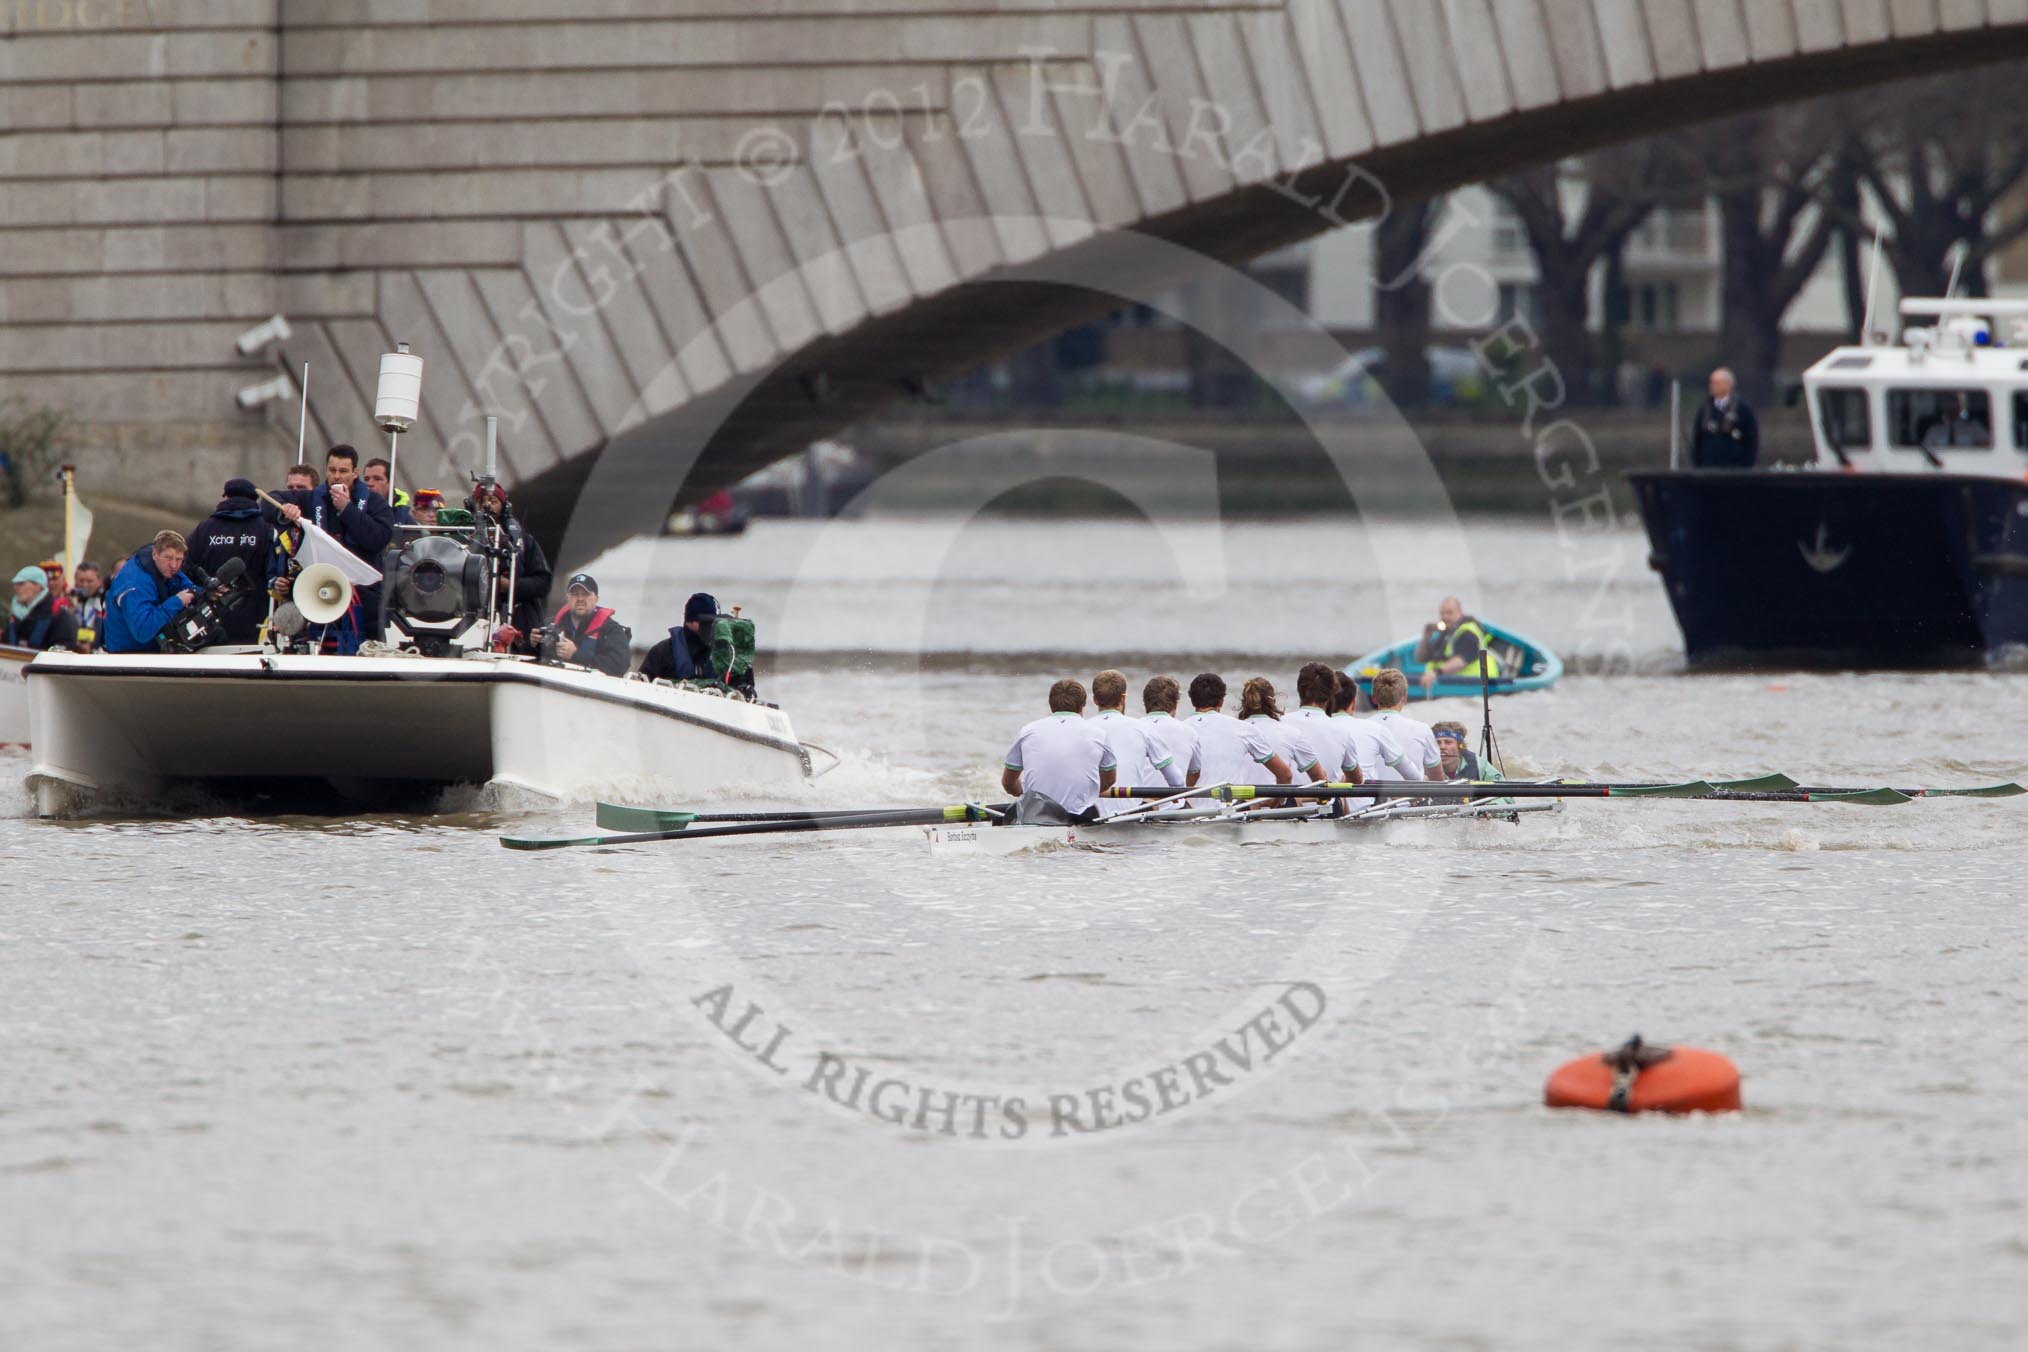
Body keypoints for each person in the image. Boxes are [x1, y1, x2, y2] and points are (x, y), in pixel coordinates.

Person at [273, 445, 396, 645]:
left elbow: (378, 539)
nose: (337, 476)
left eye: (343, 471)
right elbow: (270, 501)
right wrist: (285, 507)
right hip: (320, 593)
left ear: (355, 473)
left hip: (363, 596)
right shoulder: (312, 498)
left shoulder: (375, 503)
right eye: (332, 470)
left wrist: (347, 509)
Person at [1001, 678, 1116, 820]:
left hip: (1035, 814)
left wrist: (1024, 794)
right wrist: (1087, 791)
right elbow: (1110, 780)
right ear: (1083, 705)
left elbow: (1008, 783)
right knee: (1094, 810)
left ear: (1051, 704)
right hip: (1081, 815)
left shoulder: (1028, 731)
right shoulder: (1099, 734)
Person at [186, 478, 276, 645]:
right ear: (254, 500)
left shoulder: (204, 529)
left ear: (225, 497)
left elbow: (186, 566)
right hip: (254, 623)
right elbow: (273, 571)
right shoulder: (266, 529)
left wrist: (206, 588)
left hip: (211, 621)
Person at [1088, 669, 1182, 816]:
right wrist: (1177, 795)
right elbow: (1176, 780)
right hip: (1130, 814)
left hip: (1091, 814)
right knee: (1152, 801)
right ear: (1124, 698)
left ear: (1094, 700)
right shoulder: (1143, 728)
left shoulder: (1083, 729)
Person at [1182, 672, 1291, 788]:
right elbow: (1285, 775)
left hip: (1187, 804)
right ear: (1221, 701)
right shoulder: (1244, 729)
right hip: (1231, 805)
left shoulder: (1180, 729)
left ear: (1192, 700)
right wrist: (1275, 801)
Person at [475, 483, 550, 643]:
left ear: (504, 507)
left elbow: (543, 583)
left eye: (493, 501)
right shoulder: (464, 539)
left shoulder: (524, 541)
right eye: (483, 502)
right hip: (475, 619)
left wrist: (511, 586)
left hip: (519, 619)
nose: (488, 506)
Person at [103, 530, 197, 654]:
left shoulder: (165, 568)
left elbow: (189, 588)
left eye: (179, 560)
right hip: (127, 656)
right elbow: (142, 630)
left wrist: (206, 593)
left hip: (152, 650)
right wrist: (177, 601)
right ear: (155, 554)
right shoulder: (134, 584)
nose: (174, 565)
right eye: (168, 558)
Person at [1329, 671, 1419, 784]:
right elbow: (1413, 776)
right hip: (1364, 798)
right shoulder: (1374, 729)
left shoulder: (1303, 731)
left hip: (1317, 796)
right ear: (1354, 703)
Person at [1237, 676, 1323, 786]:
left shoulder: (1232, 732)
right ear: (1273, 701)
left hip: (1239, 802)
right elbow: (1320, 778)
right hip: (1275, 801)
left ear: (1245, 702)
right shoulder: (1291, 733)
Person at [543, 573, 632, 678]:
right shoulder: (550, 624)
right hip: (553, 682)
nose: (580, 598)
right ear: (568, 597)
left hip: (592, 689)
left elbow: (619, 666)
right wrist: (534, 645)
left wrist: (575, 654)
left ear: (596, 599)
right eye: (575, 594)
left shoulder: (611, 630)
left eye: (586, 594)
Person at [1286, 662, 1361, 786]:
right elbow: (1356, 780)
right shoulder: (1342, 732)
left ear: (1299, 690)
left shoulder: (1280, 723)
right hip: (1325, 802)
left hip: (1288, 803)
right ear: (1331, 694)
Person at [1413, 595, 1502, 694]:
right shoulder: (1446, 632)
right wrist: (1426, 637)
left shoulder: (1468, 632)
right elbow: (1420, 659)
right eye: (1442, 613)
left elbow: (1460, 661)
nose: (1445, 617)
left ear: (1459, 612)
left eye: (1449, 613)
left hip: (1476, 684)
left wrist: (1435, 673)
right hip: (1449, 684)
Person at [1368, 668, 1443, 780]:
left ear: (1374, 698)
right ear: (1405, 697)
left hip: (1369, 796)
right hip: (1409, 796)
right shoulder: (1422, 729)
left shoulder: (1360, 728)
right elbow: (1437, 779)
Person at [641, 591, 726, 684]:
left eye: (714, 622)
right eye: (707, 622)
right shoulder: (662, 651)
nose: (711, 626)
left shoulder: (723, 651)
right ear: (691, 620)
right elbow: (642, 683)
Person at [1689, 366, 1758, 469]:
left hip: (1735, 470)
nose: (1711, 386)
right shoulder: (1705, 410)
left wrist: (1746, 467)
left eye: (1716, 383)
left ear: (1728, 385)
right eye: (1711, 383)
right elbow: (1697, 439)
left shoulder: (1742, 410)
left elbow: (1751, 440)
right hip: (1708, 469)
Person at [1139, 675, 1200, 789]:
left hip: (1138, 804)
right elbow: (1194, 773)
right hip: (1175, 802)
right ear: (1176, 704)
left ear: (1145, 703)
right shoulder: (1190, 732)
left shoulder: (1134, 729)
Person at [6, 564, 80, 651]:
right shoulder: (15, 616)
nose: (16, 588)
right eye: (15, 584)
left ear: (38, 586)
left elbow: (63, 651)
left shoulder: (60, 616)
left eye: (21, 583)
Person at [1432, 722, 1502, 782]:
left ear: (1460, 746)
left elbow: (1505, 796)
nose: (1442, 747)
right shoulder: (1423, 765)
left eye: (1448, 742)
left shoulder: (1479, 765)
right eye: (1437, 743)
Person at [68, 560, 105, 651]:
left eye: (90, 581)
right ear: (75, 580)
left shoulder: (105, 604)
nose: (85, 585)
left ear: (99, 581)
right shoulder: (69, 603)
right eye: (81, 581)